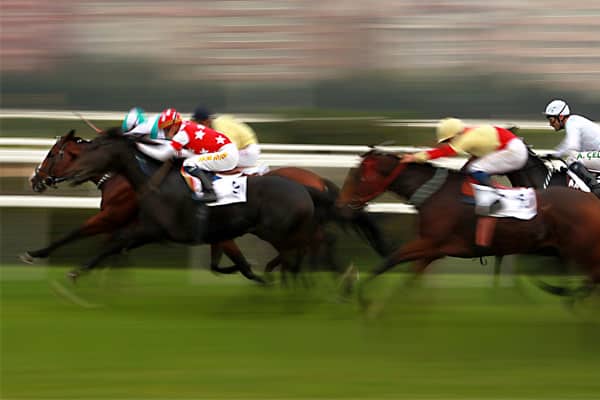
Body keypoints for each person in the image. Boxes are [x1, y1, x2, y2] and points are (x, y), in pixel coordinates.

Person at [401, 117, 529, 214]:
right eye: (446, 141)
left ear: (456, 134)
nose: (448, 142)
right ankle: (484, 197)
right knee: (472, 168)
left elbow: (448, 151)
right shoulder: (469, 134)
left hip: (514, 152)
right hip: (510, 148)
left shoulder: (468, 138)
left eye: (448, 140)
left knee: (476, 168)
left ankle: (495, 200)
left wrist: (415, 157)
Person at [137, 108, 239, 203]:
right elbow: (188, 153)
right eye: (163, 130)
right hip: (226, 152)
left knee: (189, 163)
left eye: (167, 129)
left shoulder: (182, 134)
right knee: (191, 160)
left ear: (175, 125)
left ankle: (210, 192)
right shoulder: (185, 127)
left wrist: (139, 146)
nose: (165, 133)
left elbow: (162, 155)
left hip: (227, 155)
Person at [543, 99, 600, 194]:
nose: (550, 124)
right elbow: (568, 144)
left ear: (560, 117)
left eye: (552, 120)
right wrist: (555, 154)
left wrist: (555, 154)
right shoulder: (574, 121)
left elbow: (572, 145)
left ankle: (596, 189)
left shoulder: (571, 123)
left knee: (572, 158)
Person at [191, 107, 264, 173]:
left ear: (206, 121)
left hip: (248, 151)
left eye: (198, 125)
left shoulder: (221, 128)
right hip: (243, 149)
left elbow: (231, 149)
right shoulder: (216, 123)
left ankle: (253, 171)